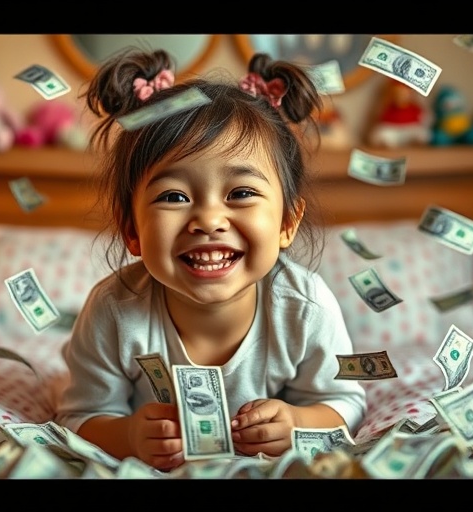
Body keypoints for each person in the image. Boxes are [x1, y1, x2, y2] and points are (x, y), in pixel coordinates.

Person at [54, 47, 367, 472]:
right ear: (132, 231)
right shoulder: (113, 311)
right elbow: (78, 416)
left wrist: (297, 422)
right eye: (174, 197)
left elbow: (343, 402)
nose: (208, 220)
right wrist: (126, 435)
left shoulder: (305, 308)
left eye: (240, 193)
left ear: (287, 224)